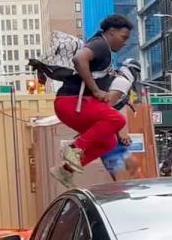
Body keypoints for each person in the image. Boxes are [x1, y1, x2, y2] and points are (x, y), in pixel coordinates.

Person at [50, 14, 132, 187]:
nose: (125, 42)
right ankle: (73, 149)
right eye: (123, 37)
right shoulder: (100, 44)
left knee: (108, 141)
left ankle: (65, 170)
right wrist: (95, 90)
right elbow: (79, 59)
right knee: (116, 119)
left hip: (71, 106)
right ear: (111, 32)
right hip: (71, 103)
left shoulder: (102, 47)